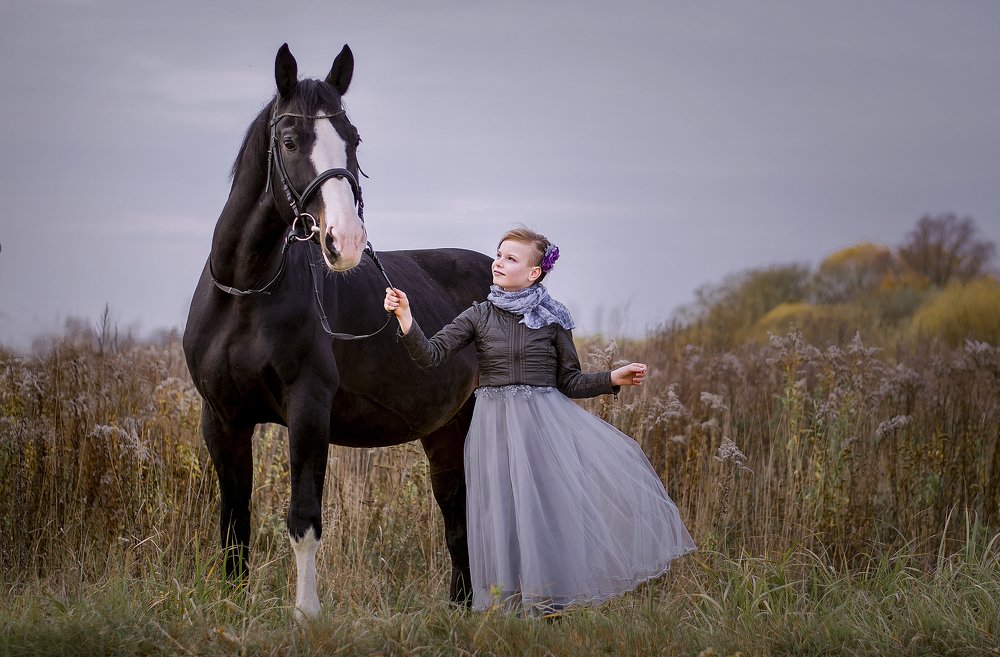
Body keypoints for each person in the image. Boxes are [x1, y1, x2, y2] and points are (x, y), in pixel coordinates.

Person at [384, 227, 695, 615]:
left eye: (511, 258)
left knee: (542, 513)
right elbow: (431, 355)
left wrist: (611, 378)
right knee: (497, 513)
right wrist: (406, 318)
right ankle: (504, 604)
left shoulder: (553, 318)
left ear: (534, 273)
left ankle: (549, 603)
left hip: (542, 426)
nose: (498, 263)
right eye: (499, 254)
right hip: (492, 428)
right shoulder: (478, 315)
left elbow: (570, 381)